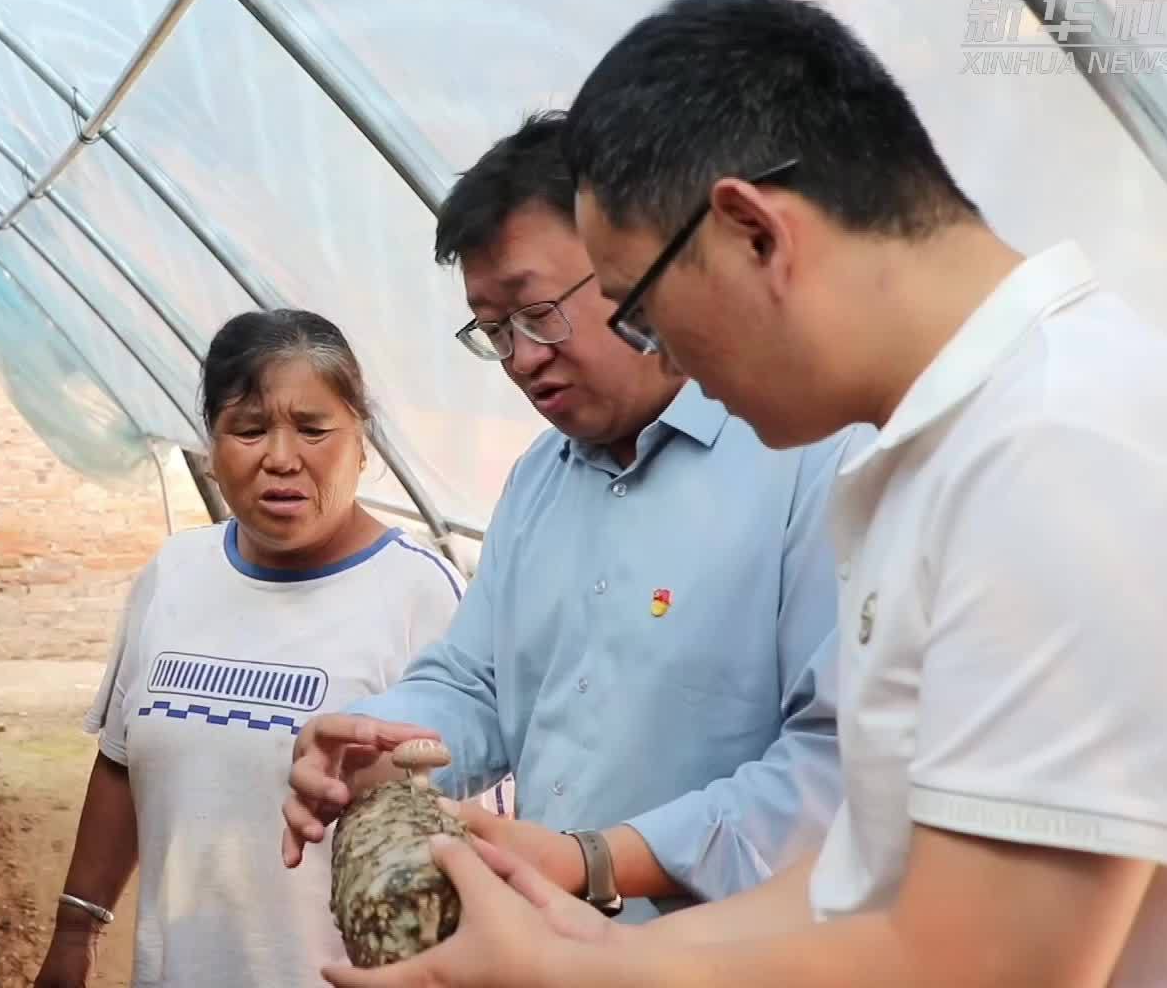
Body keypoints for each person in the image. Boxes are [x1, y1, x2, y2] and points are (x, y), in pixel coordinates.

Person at [319, 0, 1167, 988]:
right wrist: (594, 940)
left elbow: (987, 965)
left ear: (753, 232)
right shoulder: (944, 454)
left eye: (640, 308)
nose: (669, 355)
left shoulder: (1075, 453)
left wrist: (572, 970)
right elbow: (863, 878)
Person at [281, 110, 865, 924]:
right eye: (493, 332)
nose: (521, 358)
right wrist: (370, 744)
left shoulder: (814, 457)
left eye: (537, 313)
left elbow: (837, 772)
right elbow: (477, 682)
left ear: (637, 266)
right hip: (550, 953)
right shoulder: (540, 481)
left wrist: (596, 861)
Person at [35, 309, 469, 988]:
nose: (281, 458)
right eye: (249, 429)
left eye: (314, 429)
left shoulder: (419, 595)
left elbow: (471, 823)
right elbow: (122, 763)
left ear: (363, 444)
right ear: (212, 447)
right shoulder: (174, 575)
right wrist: (75, 931)